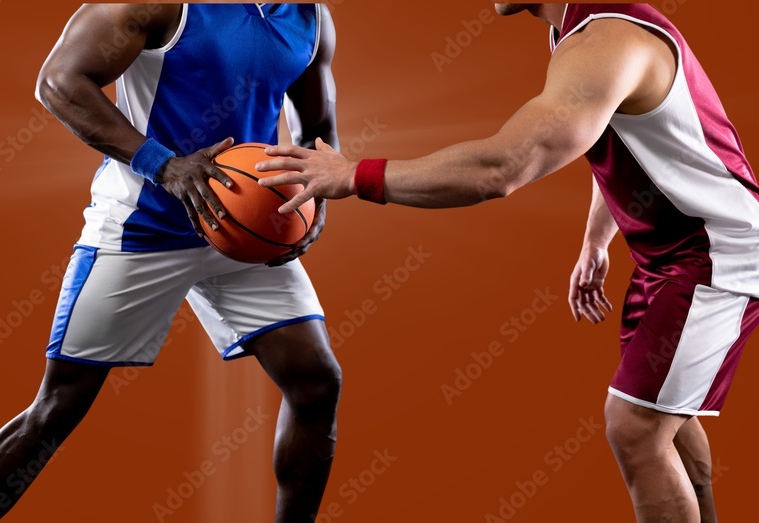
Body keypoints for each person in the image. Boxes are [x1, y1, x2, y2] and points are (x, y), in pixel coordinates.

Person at [256, 4, 758, 522]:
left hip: (715, 255)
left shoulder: (605, 42)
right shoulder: (578, 31)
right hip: (670, 257)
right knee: (667, 416)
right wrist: (595, 242)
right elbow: (628, 138)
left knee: (635, 428)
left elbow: (501, 168)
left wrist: (354, 175)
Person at [0, 4, 341, 522]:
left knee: (316, 382)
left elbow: (317, 126)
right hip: (142, 226)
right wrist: (163, 166)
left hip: (241, 227)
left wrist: (315, 194)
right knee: (58, 408)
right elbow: (60, 82)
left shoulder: (310, 16)